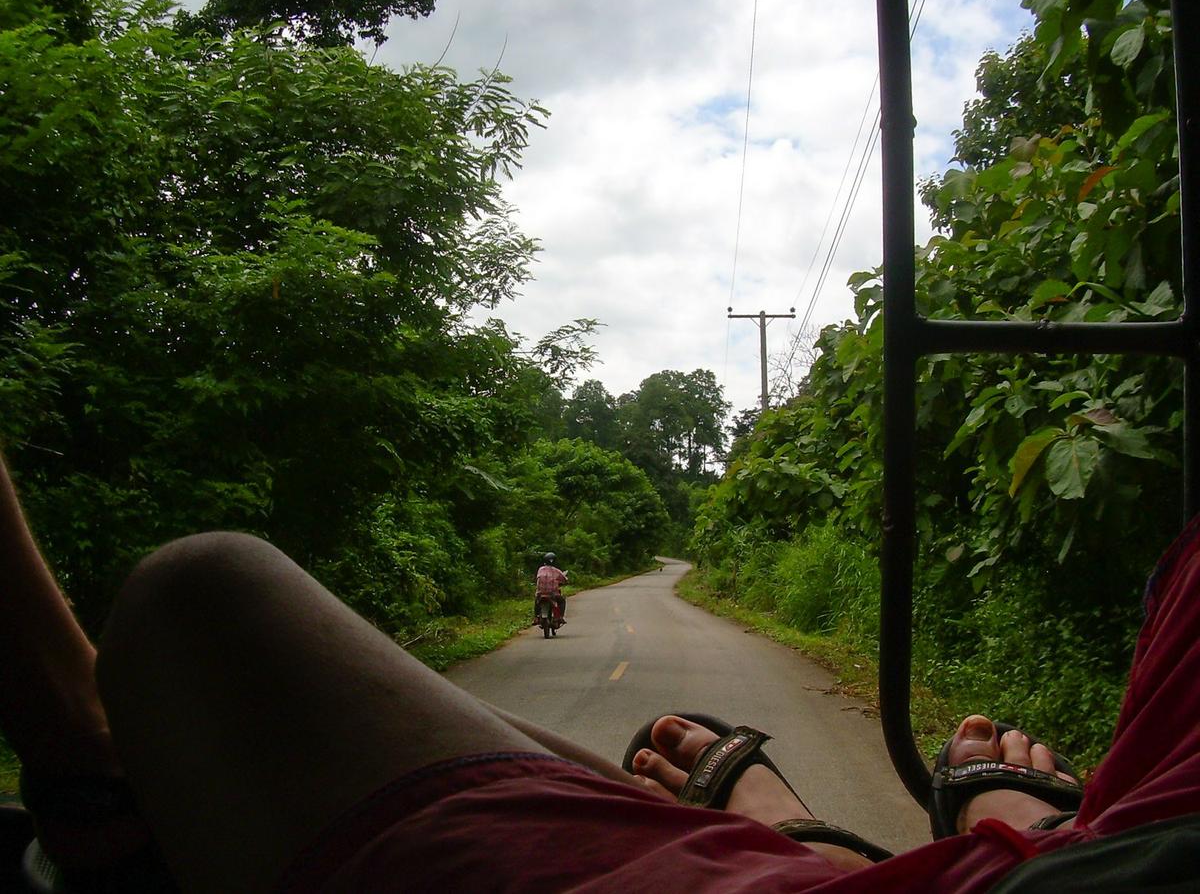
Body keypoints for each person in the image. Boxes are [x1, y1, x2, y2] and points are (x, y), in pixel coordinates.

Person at [2, 445, 1199, 891]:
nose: (547, 586)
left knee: (204, 590)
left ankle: (831, 852)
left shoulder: (562, 572)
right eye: (548, 584)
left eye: (549, 584)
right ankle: (1026, 841)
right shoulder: (552, 574)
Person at [532, 551, 568, 625]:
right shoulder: (556, 571)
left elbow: (537, 578)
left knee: (537, 601)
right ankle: (560, 617)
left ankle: (536, 617)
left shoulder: (540, 569)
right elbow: (564, 579)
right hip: (553, 594)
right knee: (562, 601)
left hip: (540, 593)